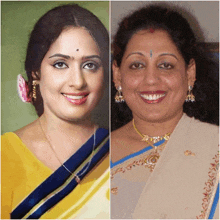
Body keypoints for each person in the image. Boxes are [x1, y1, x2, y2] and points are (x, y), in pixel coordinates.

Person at [1, 4, 109, 219]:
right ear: (36, 73)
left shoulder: (122, 151)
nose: (77, 82)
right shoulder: (4, 156)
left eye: (90, 65)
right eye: (60, 64)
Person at [111, 5, 219, 219]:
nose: (151, 79)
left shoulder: (214, 145)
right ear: (117, 75)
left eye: (166, 65)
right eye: (137, 65)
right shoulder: (93, 159)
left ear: (190, 74)